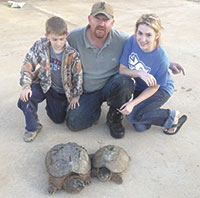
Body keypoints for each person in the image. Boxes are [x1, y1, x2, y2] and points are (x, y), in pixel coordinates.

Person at [66, 1, 185, 139]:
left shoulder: (123, 40)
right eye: (97, 18)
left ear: (112, 22)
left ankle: (117, 116)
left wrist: (167, 64)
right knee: (74, 123)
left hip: (138, 87)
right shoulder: (74, 37)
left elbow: (151, 58)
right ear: (89, 19)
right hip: (91, 90)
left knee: (128, 95)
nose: (101, 23)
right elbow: (57, 48)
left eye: (105, 20)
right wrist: (39, 70)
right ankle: (94, 109)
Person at [17, 16, 83, 142]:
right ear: (47, 35)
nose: (58, 43)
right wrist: (26, 86)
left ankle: (53, 105)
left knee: (58, 119)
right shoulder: (40, 45)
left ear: (66, 35)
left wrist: (76, 95)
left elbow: (78, 75)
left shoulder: (72, 54)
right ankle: (33, 127)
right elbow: (28, 63)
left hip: (60, 91)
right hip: (43, 84)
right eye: (54, 39)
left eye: (61, 39)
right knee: (24, 99)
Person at [119, 13, 187, 134]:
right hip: (141, 86)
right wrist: (140, 73)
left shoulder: (161, 59)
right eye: (140, 33)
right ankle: (149, 112)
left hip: (160, 90)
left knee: (131, 116)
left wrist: (132, 103)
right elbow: (122, 70)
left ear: (157, 35)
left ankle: (171, 116)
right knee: (141, 126)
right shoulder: (131, 41)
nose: (143, 39)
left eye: (148, 35)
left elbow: (154, 87)